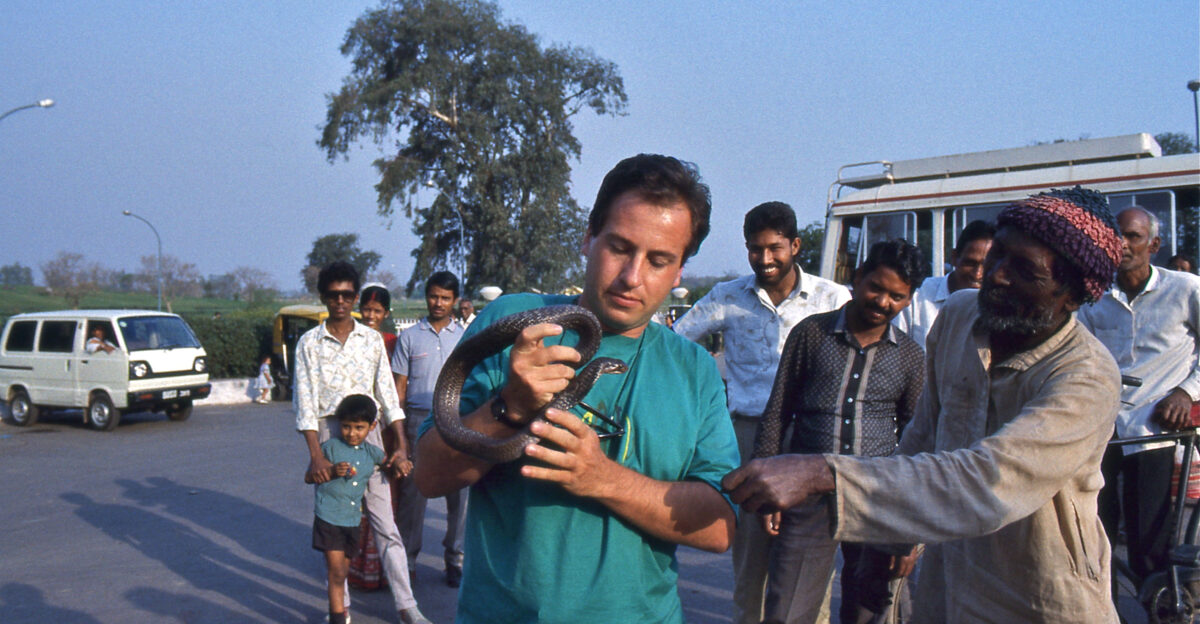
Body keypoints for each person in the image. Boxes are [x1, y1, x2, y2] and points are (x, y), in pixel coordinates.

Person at [723, 187, 1125, 623]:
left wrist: (824, 473)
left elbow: (988, 482)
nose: (999, 275)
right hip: (952, 574)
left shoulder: (1086, 377)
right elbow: (924, 435)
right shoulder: (959, 316)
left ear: (1072, 296)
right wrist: (888, 540)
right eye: (999, 255)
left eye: (1025, 270)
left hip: (1039, 591)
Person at [412, 154, 740, 623]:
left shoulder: (693, 369)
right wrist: (510, 407)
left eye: (659, 260)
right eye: (620, 247)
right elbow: (429, 476)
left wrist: (602, 477)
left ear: (680, 270)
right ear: (588, 238)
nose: (632, 277)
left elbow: (718, 527)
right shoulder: (512, 323)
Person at [673, 200, 850, 624]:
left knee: (810, 562)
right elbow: (675, 344)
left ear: (795, 245)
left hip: (811, 441)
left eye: (774, 248)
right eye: (755, 249)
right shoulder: (728, 297)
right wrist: (706, 407)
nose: (765, 259)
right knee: (751, 563)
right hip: (749, 439)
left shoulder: (834, 298)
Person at [753, 239, 924, 624]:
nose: (883, 302)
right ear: (857, 279)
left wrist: (908, 529)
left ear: (909, 300)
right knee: (787, 609)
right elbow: (779, 409)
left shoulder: (911, 357)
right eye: (876, 288)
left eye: (897, 296)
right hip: (806, 494)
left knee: (867, 610)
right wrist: (768, 490)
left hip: (875, 497)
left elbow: (917, 438)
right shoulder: (811, 334)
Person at [293, 261, 430, 624]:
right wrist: (316, 457)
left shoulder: (370, 340)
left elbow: (387, 395)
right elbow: (305, 405)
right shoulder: (308, 343)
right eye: (333, 295)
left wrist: (399, 446)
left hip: (369, 434)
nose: (340, 301)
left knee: (386, 523)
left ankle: (407, 606)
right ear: (323, 297)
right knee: (339, 523)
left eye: (347, 295)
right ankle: (341, 610)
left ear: (354, 297)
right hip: (329, 435)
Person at [1078, 207, 1200, 603]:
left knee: (1152, 541)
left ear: (1154, 245)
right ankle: (1103, 609)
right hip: (1102, 431)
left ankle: (1160, 606)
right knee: (1097, 533)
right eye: (1116, 236)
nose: (1123, 244)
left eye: (1132, 236)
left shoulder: (1185, 289)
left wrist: (1186, 392)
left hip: (1156, 431)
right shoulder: (1093, 298)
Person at [392, 271, 468, 587]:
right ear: (427, 296)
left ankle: (455, 560)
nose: (438, 303)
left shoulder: (466, 336)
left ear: (455, 300)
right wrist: (397, 438)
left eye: (445, 298)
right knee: (413, 494)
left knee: (460, 495)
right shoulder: (409, 337)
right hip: (417, 421)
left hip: (456, 421)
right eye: (434, 296)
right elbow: (398, 389)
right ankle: (407, 562)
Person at [306, 394, 387, 624]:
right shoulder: (330, 448)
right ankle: (337, 617)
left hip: (352, 521)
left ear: (371, 427)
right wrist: (330, 472)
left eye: (359, 428)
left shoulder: (371, 453)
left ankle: (339, 612)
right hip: (328, 517)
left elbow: (388, 462)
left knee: (343, 573)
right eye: (346, 427)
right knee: (337, 571)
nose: (352, 433)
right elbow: (308, 476)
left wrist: (401, 462)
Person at [346, 283, 397, 591]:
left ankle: (384, 569)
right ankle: (358, 567)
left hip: (385, 427)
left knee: (386, 498)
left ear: (386, 314)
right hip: (356, 425)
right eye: (366, 309)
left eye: (377, 311)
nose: (370, 315)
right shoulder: (350, 341)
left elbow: (396, 387)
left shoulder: (393, 342)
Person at [892, 219, 994, 349]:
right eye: (970, 263)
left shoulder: (997, 307)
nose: (977, 274)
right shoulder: (917, 297)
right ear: (954, 257)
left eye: (987, 266)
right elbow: (895, 350)